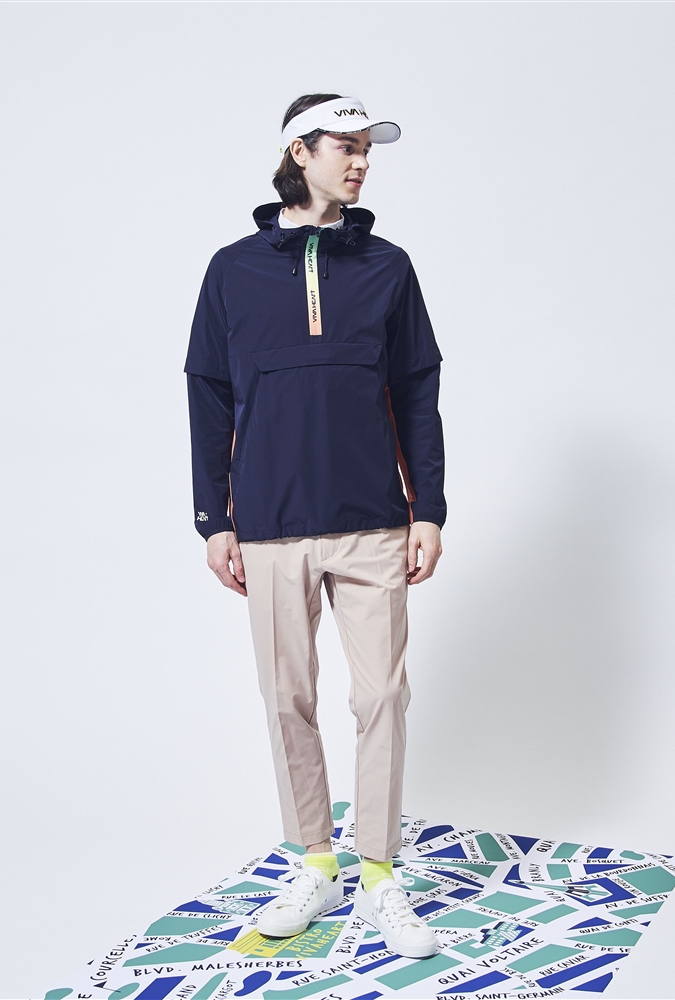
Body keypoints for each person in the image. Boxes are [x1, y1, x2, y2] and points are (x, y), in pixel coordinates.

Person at [183, 93, 446, 959]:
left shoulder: (389, 266)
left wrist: (429, 507)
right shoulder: (232, 269)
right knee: (287, 698)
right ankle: (316, 864)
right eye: (346, 145)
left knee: (381, 697)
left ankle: (378, 875)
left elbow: (416, 390)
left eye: (368, 148)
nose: (361, 161)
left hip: (373, 521)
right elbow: (208, 394)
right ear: (300, 151)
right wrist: (214, 517)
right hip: (268, 523)